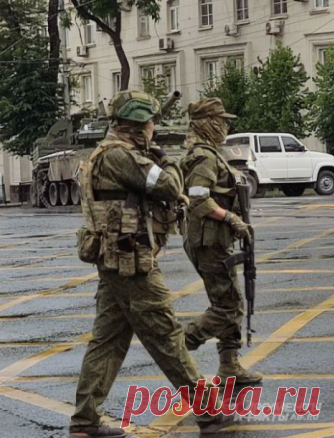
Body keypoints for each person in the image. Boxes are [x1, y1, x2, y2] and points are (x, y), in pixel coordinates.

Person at [70, 91, 232, 438]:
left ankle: (85, 420)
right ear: (137, 126)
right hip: (131, 263)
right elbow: (171, 186)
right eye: (150, 123)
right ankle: (208, 412)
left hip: (117, 260)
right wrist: (164, 157)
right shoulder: (119, 156)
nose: (153, 128)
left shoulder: (109, 153)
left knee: (108, 339)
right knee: (167, 334)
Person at [179, 98, 263, 385]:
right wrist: (231, 218)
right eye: (221, 120)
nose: (226, 125)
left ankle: (229, 364)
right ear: (209, 123)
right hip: (209, 241)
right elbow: (199, 199)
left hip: (214, 240)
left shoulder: (210, 153)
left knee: (231, 300)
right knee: (227, 306)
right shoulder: (204, 158)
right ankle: (179, 346)